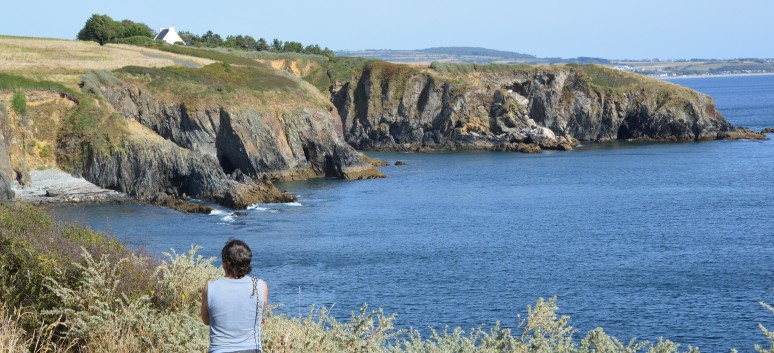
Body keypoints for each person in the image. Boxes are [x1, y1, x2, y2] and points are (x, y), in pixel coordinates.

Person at [201, 239, 268, 353]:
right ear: (247, 263)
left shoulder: (210, 288)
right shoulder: (260, 286)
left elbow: (206, 320)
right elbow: (259, 317)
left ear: (224, 264)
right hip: (252, 349)